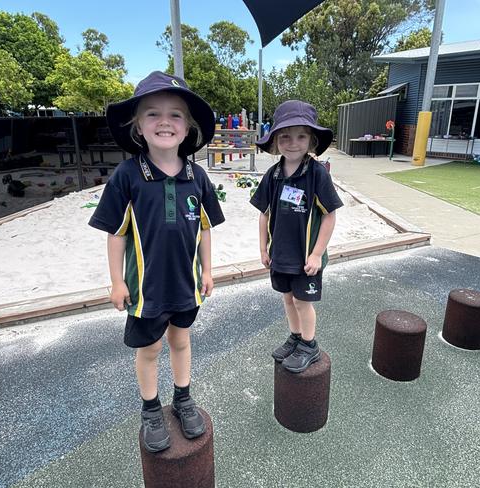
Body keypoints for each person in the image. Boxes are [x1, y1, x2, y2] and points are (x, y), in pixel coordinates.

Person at [89, 71, 225, 453]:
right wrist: (117, 281)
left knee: (181, 342)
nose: (164, 121)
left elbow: (206, 228)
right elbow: (115, 233)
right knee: (149, 350)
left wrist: (208, 270)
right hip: (145, 290)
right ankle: (151, 409)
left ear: (187, 130)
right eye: (152, 113)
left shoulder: (198, 176)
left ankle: (183, 398)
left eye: (175, 115)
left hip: (185, 283)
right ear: (137, 127)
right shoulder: (127, 175)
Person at [249, 100, 343, 373]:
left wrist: (316, 254)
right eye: (285, 136)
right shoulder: (273, 174)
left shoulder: (316, 174)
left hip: (306, 258)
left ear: (312, 140)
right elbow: (264, 213)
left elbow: (329, 215)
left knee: (303, 301)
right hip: (281, 254)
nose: (293, 143)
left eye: (301, 136)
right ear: (276, 140)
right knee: (288, 298)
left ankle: (309, 345)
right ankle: (295, 337)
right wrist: (264, 249)